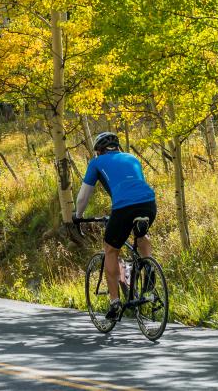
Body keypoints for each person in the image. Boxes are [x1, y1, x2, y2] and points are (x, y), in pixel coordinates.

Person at [73, 131, 156, 322]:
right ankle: (149, 265)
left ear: (99, 151)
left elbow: (83, 196)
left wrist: (78, 216)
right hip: (149, 203)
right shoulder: (132, 158)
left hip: (123, 207)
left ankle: (115, 302)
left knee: (111, 250)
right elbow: (133, 184)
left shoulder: (96, 162)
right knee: (140, 233)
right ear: (117, 147)